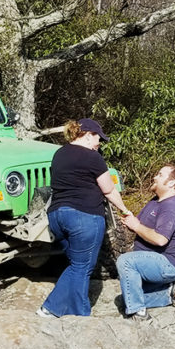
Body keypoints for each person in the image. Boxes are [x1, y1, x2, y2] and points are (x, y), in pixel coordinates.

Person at [38, 118, 131, 318]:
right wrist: (125, 210)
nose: (99, 144)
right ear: (88, 135)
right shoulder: (92, 158)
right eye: (98, 139)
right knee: (82, 268)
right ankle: (80, 316)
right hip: (84, 216)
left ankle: (50, 309)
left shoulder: (58, 154)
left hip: (56, 217)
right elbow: (108, 190)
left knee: (76, 265)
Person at [116, 165, 175, 322]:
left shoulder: (172, 207)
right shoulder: (156, 201)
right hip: (151, 261)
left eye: (160, 174)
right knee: (126, 298)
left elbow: (160, 239)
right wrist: (131, 222)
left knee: (125, 261)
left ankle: (139, 314)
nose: (155, 177)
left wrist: (136, 226)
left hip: (168, 264)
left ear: (171, 183)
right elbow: (141, 227)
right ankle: (170, 293)